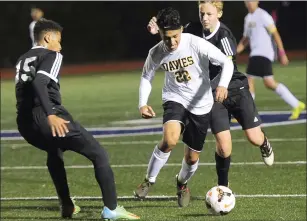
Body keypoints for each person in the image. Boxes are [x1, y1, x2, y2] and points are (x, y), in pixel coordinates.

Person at [143, 0, 274, 205]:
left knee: (254, 138)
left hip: (233, 88)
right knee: (223, 146)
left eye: (209, 14)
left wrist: (217, 85)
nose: (204, 18)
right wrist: (157, 27)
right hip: (211, 95)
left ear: (219, 14)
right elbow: (173, 31)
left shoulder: (224, 36)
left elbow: (227, 65)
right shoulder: (192, 29)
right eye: (201, 13)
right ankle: (224, 188)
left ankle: (264, 143)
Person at [15, 19, 140, 220]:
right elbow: (40, 81)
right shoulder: (52, 54)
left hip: (24, 123)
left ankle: (67, 205)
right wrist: (51, 115)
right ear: (48, 38)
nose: (60, 45)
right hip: (47, 115)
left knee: (54, 150)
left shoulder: (22, 58)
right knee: (99, 154)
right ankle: (111, 209)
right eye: (59, 40)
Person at [134, 7, 234, 208]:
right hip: (175, 98)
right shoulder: (156, 52)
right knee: (169, 140)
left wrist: (222, 85)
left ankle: (181, 183)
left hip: (201, 104)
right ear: (160, 33)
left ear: (181, 29)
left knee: (192, 157)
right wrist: (142, 103)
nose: (171, 42)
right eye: (166, 37)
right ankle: (149, 180)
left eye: (175, 36)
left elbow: (227, 62)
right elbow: (147, 76)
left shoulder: (196, 43)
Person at [237, 1, 305, 120]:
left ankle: (248, 113)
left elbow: (275, 34)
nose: (249, 3)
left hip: (263, 53)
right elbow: (245, 39)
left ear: (257, 1)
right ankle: (297, 104)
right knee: (269, 83)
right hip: (256, 54)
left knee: (249, 80)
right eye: (247, 0)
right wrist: (234, 52)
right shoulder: (247, 18)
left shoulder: (263, 15)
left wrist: (282, 52)